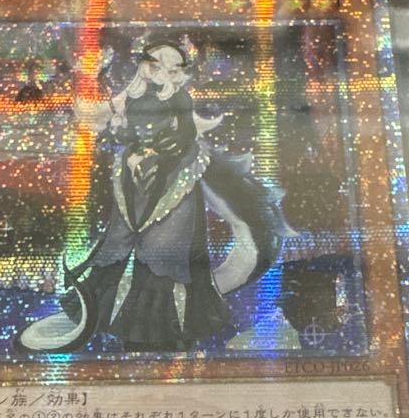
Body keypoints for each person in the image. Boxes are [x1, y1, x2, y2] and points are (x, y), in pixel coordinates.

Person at [21, 38, 293, 352]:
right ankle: (118, 322)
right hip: (135, 178)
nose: (164, 73)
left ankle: (169, 330)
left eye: (172, 68)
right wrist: (131, 145)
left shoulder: (180, 99)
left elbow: (184, 134)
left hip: (174, 178)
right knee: (120, 249)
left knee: (165, 254)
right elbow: (122, 130)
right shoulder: (131, 97)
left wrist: (159, 151)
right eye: (158, 66)